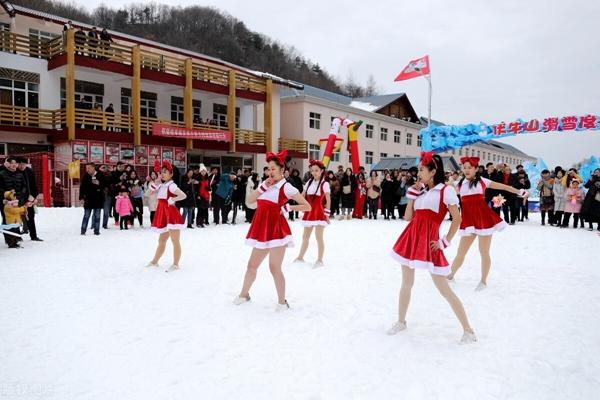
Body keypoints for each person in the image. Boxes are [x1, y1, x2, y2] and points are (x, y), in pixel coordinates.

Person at [388, 152, 476, 344]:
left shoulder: (446, 190)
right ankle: (401, 321)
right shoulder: (422, 191)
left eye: (421, 169)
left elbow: (457, 219)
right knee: (406, 283)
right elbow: (408, 218)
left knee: (444, 289)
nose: (418, 173)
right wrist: (412, 196)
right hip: (411, 237)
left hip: (430, 242)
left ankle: (468, 330)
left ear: (433, 171)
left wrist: (445, 241)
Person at [234, 150, 311, 310]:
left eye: (273, 169)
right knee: (251, 265)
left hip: (277, 230)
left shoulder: (287, 186)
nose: (270, 172)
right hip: (261, 230)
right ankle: (244, 294)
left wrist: (288, 207)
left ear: (282, 170)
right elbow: (249, 201)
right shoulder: (265, 184)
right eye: (268, 168)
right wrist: (262, 187)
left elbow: (307, 206)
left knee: (274, 267)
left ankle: (282, 302)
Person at [447, 157, 528, 290]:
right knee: (460, 252)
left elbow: (504, 186)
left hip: (484, 220)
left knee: (483, 252)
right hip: (468, 221)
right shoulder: (459, 184)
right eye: (464, 167)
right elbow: (442, 186)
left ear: (475, 169)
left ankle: (483, 281)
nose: (466, 170)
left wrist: (519, 191)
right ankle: (450, 276)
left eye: (469, 167)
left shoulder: (483, 181)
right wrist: (449, 181)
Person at [147, 161, 187, 272]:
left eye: (165, 172)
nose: (162, 174)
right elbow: (146, 195)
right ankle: (155, 261)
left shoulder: (172, 185)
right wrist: (156, 182)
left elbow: (183, 195)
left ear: (171, 174)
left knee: (175, 241)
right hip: (163, 215)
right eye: (161, 172)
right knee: (161, 240)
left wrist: (173, 199)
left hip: (172, 215)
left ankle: (175, 264)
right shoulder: (161, 185)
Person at [295, 160, 331, 267]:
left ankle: (320, 260)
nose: (314, 172)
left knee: (318, 238)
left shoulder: (325, 184)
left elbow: (328, 200)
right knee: (305, 237)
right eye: (312, 170)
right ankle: (300, 257)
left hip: (319, 213)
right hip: (309, 212)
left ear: (322, 171)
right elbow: (302, 195)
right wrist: (299, 203)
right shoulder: (309, 182)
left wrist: (327, 214)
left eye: (316, 170)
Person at [17, 157, 42, 241]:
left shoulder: (30, 171)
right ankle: (17, 237)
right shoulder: (15, 172)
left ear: (26, 164)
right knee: (17, 218)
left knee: (31, 217)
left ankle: (33, 236)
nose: (21, 166)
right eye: (19, 164)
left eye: (23, 164)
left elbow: (34, 185)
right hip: (18, 199)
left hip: (29, 198)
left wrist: (33, 197)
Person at [79, 163, 106, 236]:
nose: (87, 170)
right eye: (86, 168)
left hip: (98, 199)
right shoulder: (85, 176)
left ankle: (96, 231)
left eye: (89, 168)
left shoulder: (100, 175)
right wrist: (81, 197)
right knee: (86, 215)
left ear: (93, 168)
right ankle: (83, 230)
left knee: (97, 216)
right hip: (88, 199)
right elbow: (82, 188)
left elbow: (105, 185)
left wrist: (99, 184)